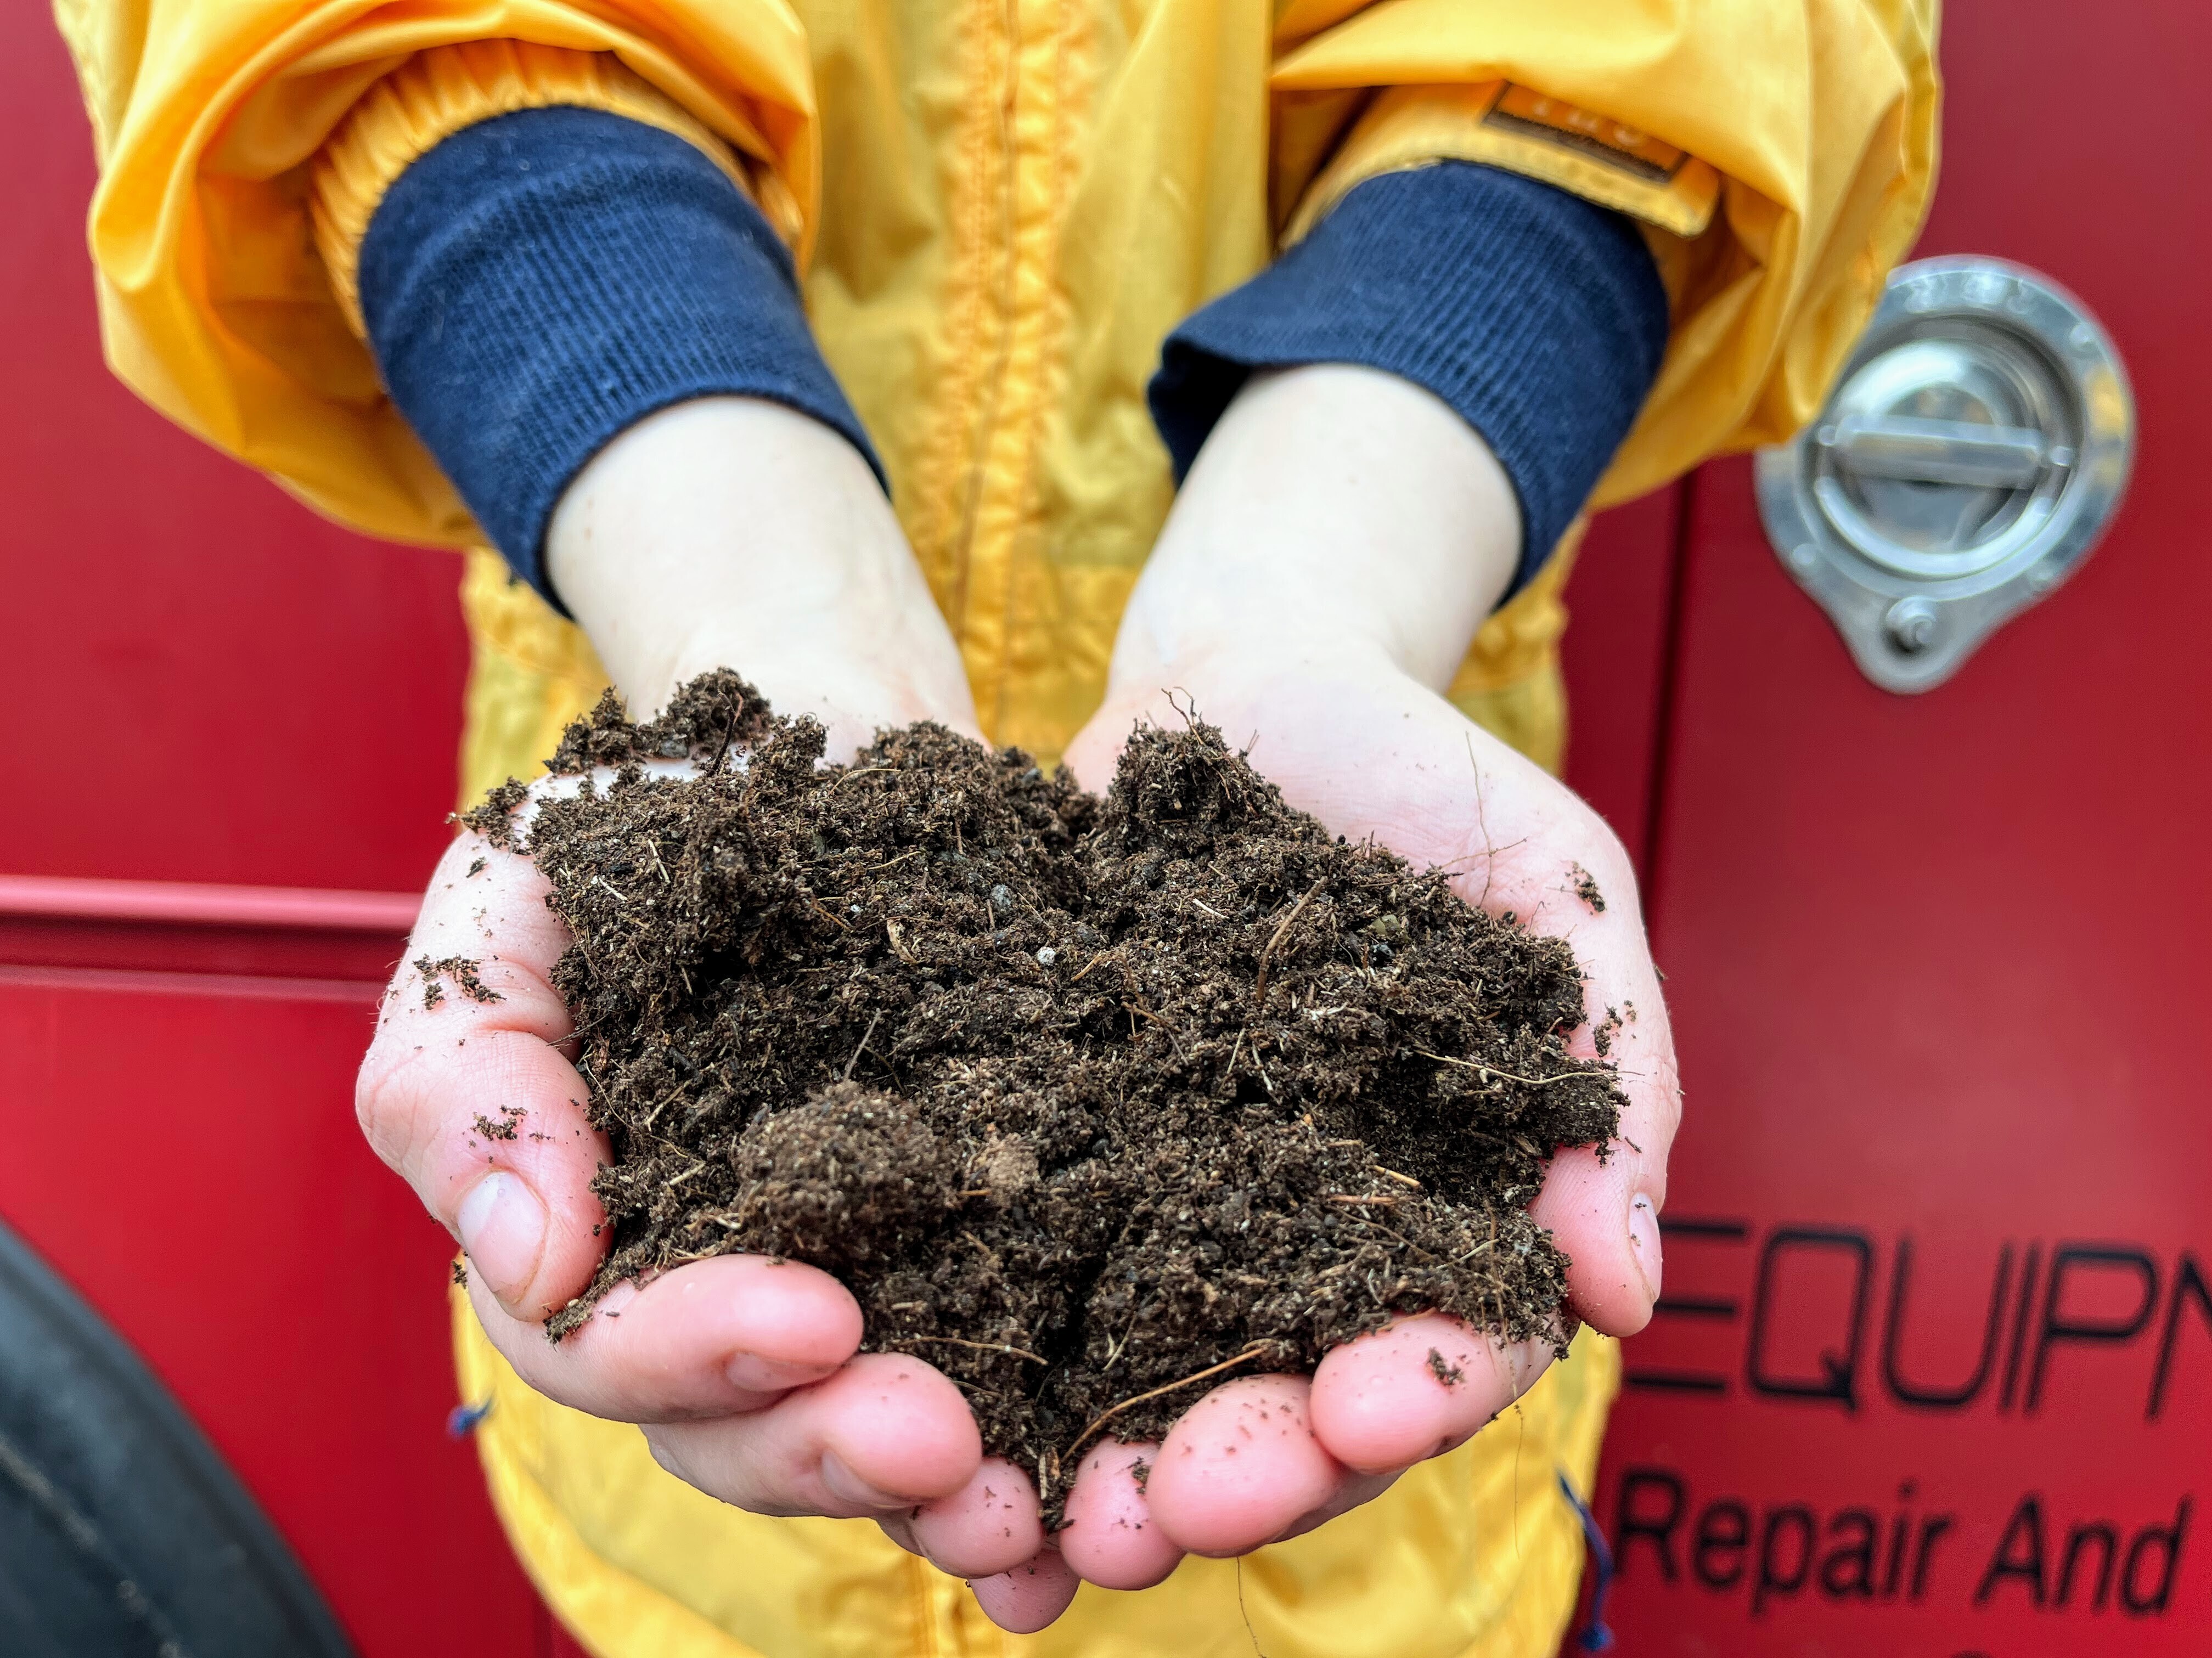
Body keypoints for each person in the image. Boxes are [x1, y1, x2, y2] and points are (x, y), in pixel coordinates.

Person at [58, 3, 1937, 1652]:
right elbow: (371, 28)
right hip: (668, 655)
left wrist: (1317, 597)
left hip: (1384, 615)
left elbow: (1662, 46)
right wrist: (742, 617)